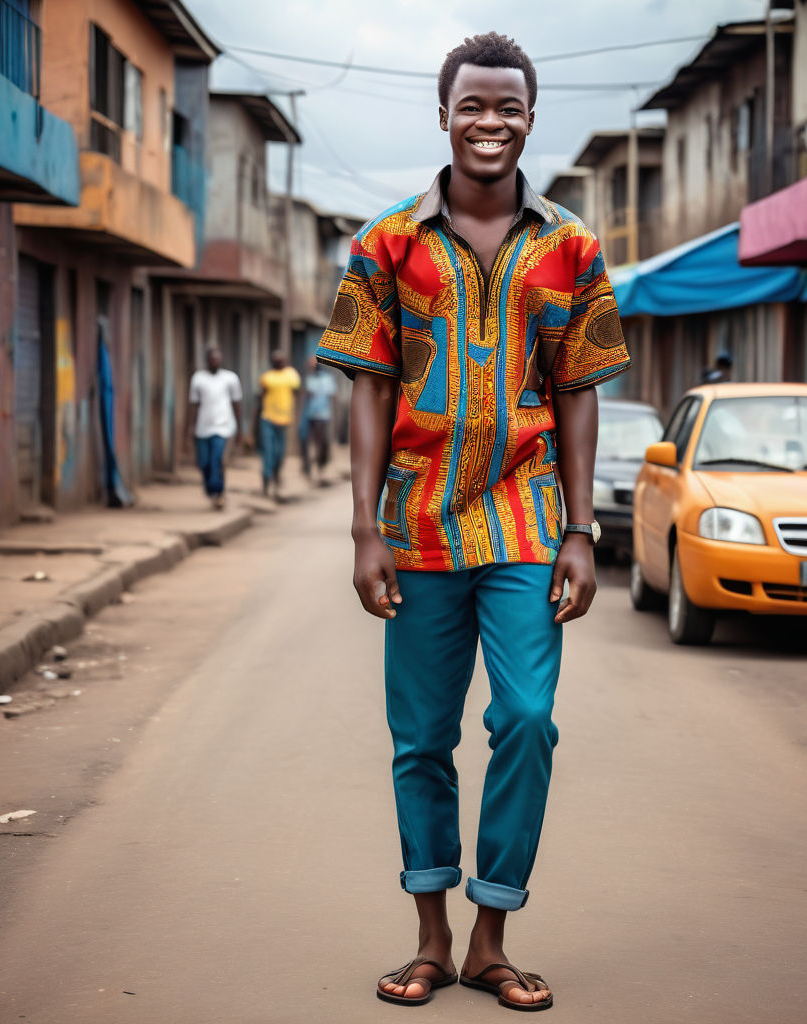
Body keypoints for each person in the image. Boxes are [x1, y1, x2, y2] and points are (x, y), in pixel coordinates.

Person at [316, 32, 630, 1011]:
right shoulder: (385, 244)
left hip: (527, 522)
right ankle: (430, 937)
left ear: (529, 118)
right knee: (419, 737)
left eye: (508, 107)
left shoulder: (570, 245)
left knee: (527, 720)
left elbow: (577, 392)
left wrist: (581, 528)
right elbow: (366, 390)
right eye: (472, 106)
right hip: (414, 524)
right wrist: (363, 527)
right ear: (444, 115)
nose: (489, 122)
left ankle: (492, 936)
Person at [186, 347, 241, 510]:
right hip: (202, 427)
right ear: (207, 361)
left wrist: (240, 429)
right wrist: (190, 427)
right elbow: (193, 404)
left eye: (218, 359)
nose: (215, 362)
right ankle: (211, 490)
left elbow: (237, 403)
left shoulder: (230, 378)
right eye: (212, 360)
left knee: (217, 459)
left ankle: (219, 491)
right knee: (204, 463)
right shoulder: (198, 378)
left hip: (223, 426)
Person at [255, 350, 301, 498]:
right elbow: (260, 399)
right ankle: (266, 483)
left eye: (281, 360)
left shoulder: (292, 375)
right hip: (267, 418)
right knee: (268, 452)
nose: (278, 362)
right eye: (276, 360)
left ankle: (276, 478)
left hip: (284, 420)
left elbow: (297, 395)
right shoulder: (267, 378)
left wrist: (296, 414)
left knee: (279, 454)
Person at [300, 357, 338, 483]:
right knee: (307, 441)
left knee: (321, 442)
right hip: (310, 414)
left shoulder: (326, 378)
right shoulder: (309, 378)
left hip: (322, 415)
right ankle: (308, 468)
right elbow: (305, 396)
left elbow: (332, 397)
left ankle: (320, 466)